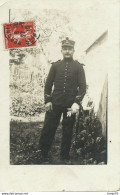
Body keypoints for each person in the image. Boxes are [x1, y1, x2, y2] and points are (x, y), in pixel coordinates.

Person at [39, 37, 86, 164]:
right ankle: (42, 153)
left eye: (69, 49)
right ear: (61, 50)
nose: (67, 51)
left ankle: (64, 156)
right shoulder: (55, 66)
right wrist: (47, 101)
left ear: (73, 50)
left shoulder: (78, 67)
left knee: (68, 129)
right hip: (54, 104)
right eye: (65, 49)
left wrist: (77, 102)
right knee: (49, 128)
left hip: (70, 106)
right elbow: (48, 85)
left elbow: (82, 87)